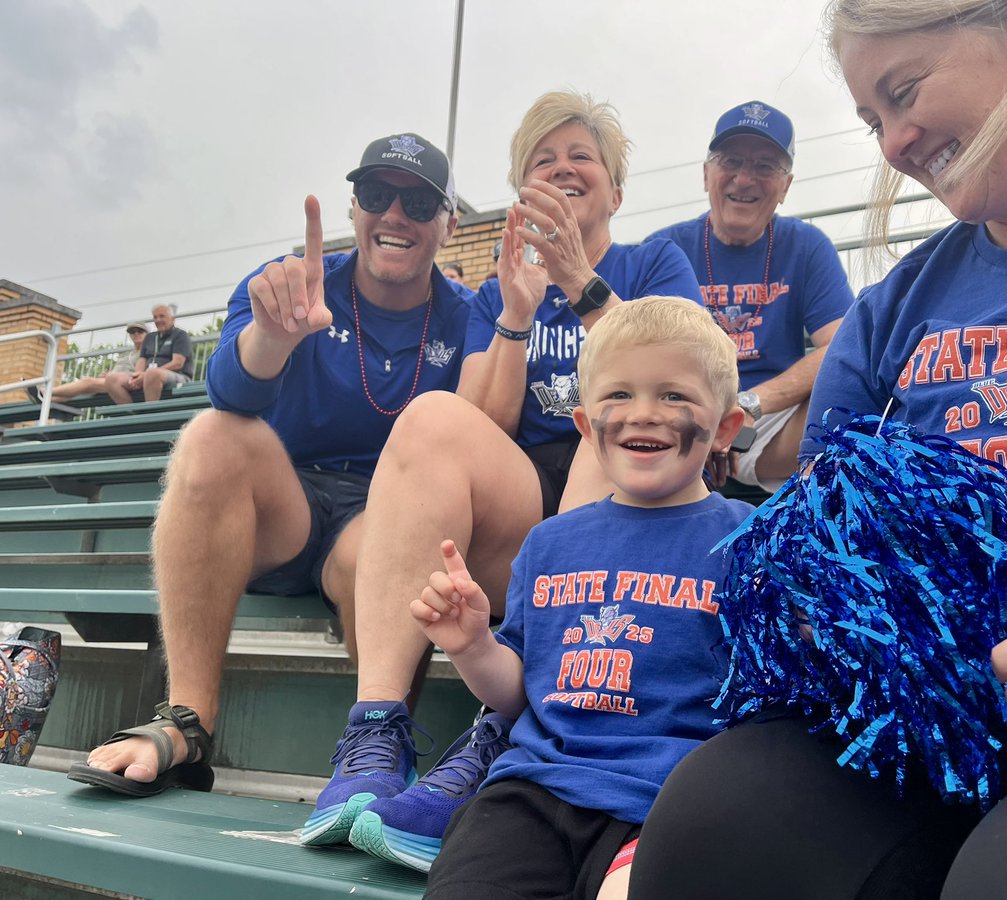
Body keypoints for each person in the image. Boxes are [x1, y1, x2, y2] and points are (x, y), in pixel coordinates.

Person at [630, 2, 1007, 898]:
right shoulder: (894, 309)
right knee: (722, 818)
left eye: (905, 92)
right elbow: (816, 554)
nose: (894, 145)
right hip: (943, 715)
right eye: (871, 120)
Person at [301, 90, 704, 852]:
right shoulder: (497, 290)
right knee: (429, 418)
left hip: (633, 512)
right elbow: (482, 420)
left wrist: (581, 285)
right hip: (525, 507)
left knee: (611, 429)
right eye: (543, 161)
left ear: (616, 191)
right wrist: (518, 315)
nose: (563, 169)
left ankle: (502, 730)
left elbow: (682, 381)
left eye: (580, 157)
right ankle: (376, 731)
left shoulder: (654, 263)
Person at [67, 133, 471, 797]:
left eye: (420, 203)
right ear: (353, 208)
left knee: (395, 538)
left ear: (449, 225)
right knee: (210, 435)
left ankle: (377, 747)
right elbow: (229, 392)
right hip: (287, 504)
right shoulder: (290, 281)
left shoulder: (466, 314)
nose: (395, 214)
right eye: (377, 194)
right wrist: (272, 339)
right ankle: (187, 723)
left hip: (385, 510)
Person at [355, 295, 753, 898]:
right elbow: (519, 692)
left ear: (723, 427)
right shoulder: (548, 544)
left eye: (674, 395)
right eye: (619, 394)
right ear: (587, 427)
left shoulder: (752, 542)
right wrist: (473, 646)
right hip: (533, 792)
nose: (643, 413)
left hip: (669, 801)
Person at [647, 102, 853, 492]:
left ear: (785, 186)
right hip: (682, 415)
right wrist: (703, 414)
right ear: (706, 174)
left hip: (769, 417)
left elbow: (844, 344)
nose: (744, 179)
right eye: (731, 161)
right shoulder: (665, 248)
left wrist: (752, 403)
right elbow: (638, 353)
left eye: (765, 166)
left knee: (856, 399)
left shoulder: (807, 245)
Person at [27, 322, 148, 404]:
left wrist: (112, 377)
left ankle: (47, 392)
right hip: (112, 380)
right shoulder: (126, 354)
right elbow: (118, 371)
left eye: (140, 331)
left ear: (147, 334)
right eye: (132, 332)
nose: (136, 334)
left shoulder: (148, 352)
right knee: (85, 385)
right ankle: (48, 399)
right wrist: (108, 375)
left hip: (125, 384)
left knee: (88, 382)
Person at [105, 304, 194, 403]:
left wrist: (147, 374)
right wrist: (138, 375)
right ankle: (129, 411)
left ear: (172, 319)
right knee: (112, 379)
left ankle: (150, 410)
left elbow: (177, 363)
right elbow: (142, 359)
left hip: (178, 375)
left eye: (162, 316)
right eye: (155, 317)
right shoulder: (150, 337)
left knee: (152, 373)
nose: (158, 320)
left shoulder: (180, 335)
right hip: (148, 375)